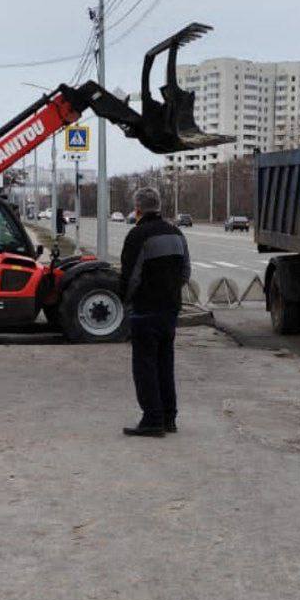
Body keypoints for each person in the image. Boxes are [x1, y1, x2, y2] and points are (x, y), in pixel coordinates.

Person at [119, 186, 190, 437]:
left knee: (145, 367)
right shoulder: (176, 233)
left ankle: (152, 420)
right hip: (170, 310)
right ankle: (169, 418)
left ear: (138, 209)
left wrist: (125, 304)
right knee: (165, 364)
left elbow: (131, 278)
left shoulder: (138, 236)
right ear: (158, 207)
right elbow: (185, 273)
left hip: (145, 311)